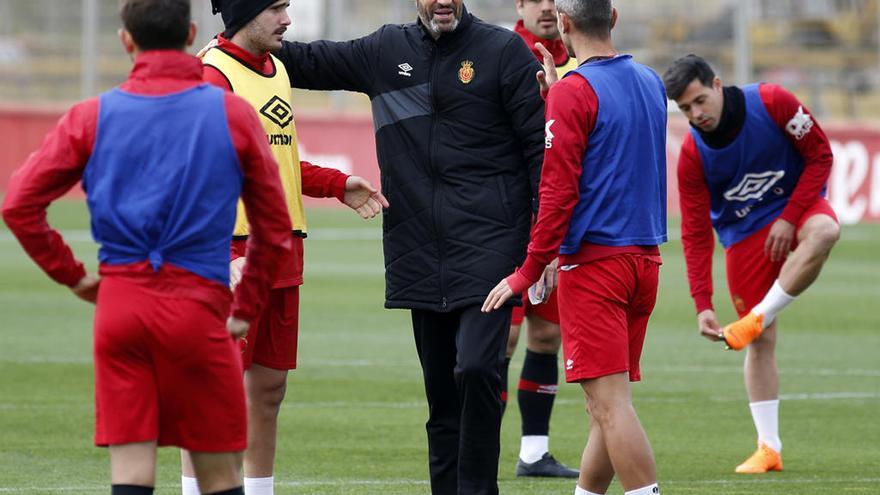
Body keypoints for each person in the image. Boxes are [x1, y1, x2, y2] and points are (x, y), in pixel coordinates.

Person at [1, 0, 294, 494]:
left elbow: (18, 205)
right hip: (199, 305)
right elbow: (275, 223)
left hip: (121, 307)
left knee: (132, 474)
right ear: (191, 34)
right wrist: (246, 303)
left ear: (125, 41)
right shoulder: (230, 113)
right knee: (219, 474)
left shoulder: (91, 115)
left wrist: (73, 276)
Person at [264, 1, 546, 493]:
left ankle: (478, 488)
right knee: (441, 397)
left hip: (492, 244)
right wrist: (231, 47)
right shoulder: (384, 50)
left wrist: (544, 250)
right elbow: (306, 60)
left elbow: (540, 154)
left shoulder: (503, 52)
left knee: (478, 366)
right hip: (418, 247)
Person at [177, 2, 389, 494]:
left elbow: (281, 161)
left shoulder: (276, 69)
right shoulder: (213, 75)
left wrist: (337, 184)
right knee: (216, 390)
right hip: (234, 254)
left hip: (282, 250)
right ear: (245, 13)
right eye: (275, 8)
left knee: (269, 390)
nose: (287, 20)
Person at [483, 1, 667, 494]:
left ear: (564, 24)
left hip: (595, 264)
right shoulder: (650, 80)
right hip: (644, 258)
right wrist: (555, 99)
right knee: (604, 406)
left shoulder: (574, 92)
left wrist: (529, 269)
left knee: (610, 406)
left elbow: (558, 192)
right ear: (614, 18)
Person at [663, 54, 840, 474]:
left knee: (826, 233)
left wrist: (789, 217)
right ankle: (769, 449)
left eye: (700, 101)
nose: (696, 114)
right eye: (686, 109)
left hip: (796, 209)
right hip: (743, 237)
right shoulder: (692, 155)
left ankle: (757, 316)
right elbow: (694, 233)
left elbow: (820, 155)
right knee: (761, 344)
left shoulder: (774, 103)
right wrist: (702, 303)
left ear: (718, 84)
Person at [503, 0, 579, 479]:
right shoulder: (503, 53)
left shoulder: (578, 60)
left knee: (547, 334)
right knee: (500, 340)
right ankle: (475, 447)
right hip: (510, 218)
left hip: (556, 218)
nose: (548, 6)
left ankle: (534, 452)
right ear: (521, 6)